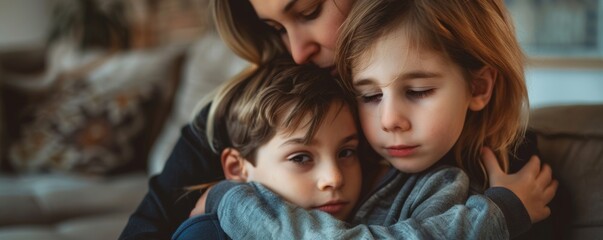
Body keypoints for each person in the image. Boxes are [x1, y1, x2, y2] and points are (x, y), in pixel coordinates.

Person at [119, 0, 556, 238]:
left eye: (308, 13)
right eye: (275, 29)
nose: (295, 52)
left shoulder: (487, 159)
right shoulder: (237, 116)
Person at [171, 55, 365, 239]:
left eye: (345, 152)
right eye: (300, 158)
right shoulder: (206, 234)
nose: (334, 178)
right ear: (237, 168)